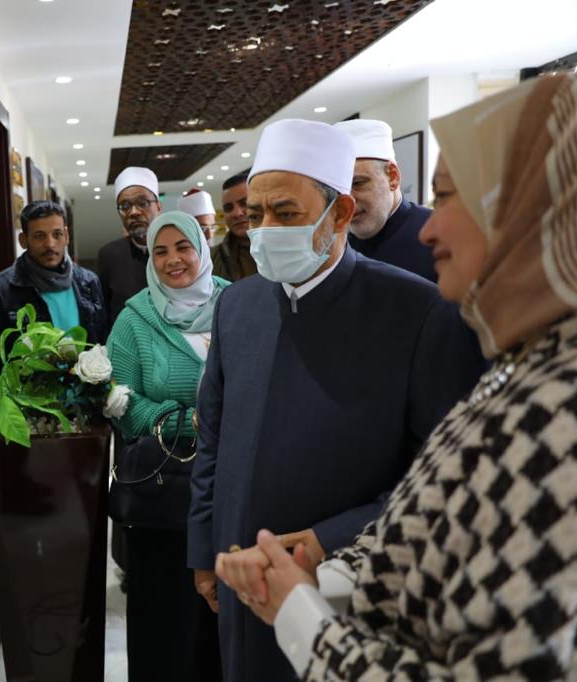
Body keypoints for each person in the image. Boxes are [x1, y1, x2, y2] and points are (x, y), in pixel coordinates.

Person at [218, 73, 577, 681]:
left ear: (532, 211)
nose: (429, 228)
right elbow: (432, 524)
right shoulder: (525, 369)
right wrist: (322, 574)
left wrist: (303, 617)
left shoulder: (560, 410)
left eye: (452, 197)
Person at [187, 119, 487, 681]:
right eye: (256, 214)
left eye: (286, 214)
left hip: (348, 586)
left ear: (341, 213)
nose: (265, 230)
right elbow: (214, 441)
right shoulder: (238, 306)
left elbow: (445, 474)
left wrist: (330, 539)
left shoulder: (418, 312)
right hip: (238, 570)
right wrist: (205, 548)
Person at [108, 210, 228, 682]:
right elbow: (120, 402)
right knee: (167, 619)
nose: (172, 260)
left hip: (232, 486)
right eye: (160, 251)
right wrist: (184, 421)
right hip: (165, 495)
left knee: (227, 613)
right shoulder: (135, 319)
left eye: (183, 247)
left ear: (203, 248)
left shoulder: (236, 302)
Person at [0, 200, 107, 380]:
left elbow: (103, 344)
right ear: (23, 240)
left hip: (86, 392)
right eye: (39, 236)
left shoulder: (88, 282)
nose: (50, 244)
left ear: (66, 236)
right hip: (26, 395)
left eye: (57, 234)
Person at [335, 119, 437, 281]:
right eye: (339, 191)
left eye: (358, 183)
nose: (348, 201)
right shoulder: (334, 250)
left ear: (392, 177)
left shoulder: (439, 235)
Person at [98, 166, 161, 324]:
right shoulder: (109, 255)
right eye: (125, 206)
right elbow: (104, 312)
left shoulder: (176, 250)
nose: (134, 212)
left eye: (142, 203)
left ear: (158, 206)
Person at [210, 171, 257, 281]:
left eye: (244, 203)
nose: (237, 213)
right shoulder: (213, 258)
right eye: (228, 208)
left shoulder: (286, 246)